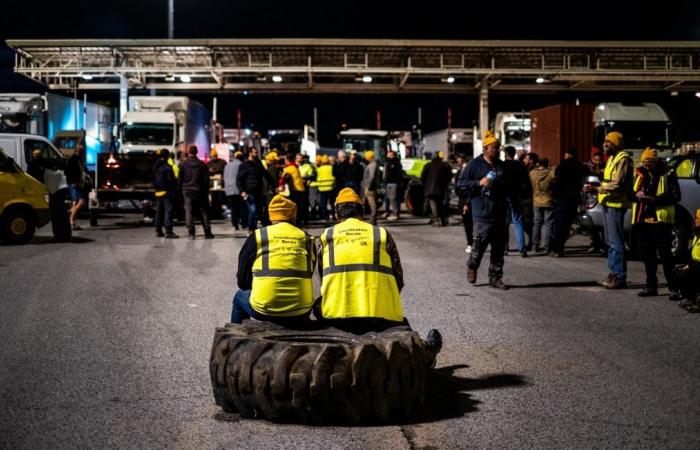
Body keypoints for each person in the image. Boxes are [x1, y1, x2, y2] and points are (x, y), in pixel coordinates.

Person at [316, 188, 442, 359]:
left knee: (318, 304)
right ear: (361, 212)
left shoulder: (326, 236)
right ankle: (427, 352)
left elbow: (323, 277)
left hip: (337, 316)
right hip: (380, 315)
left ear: (337, 213)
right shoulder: (380, 234)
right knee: (403, 333)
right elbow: (399, 277)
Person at [230, 194, 314, 324]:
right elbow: (310, 271)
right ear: (293, 215)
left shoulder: (258, 236)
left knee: (239, 297)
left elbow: (242, 279)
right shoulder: (307, 238)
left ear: (271, 216)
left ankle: (235, 340)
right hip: (301, 310)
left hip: (264, 309)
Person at [457, 131, 511, 290]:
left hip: (500, 213)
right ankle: (472, 267)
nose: (497, 150)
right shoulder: (474, 164)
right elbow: (461, 184)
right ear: (486, 148)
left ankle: (495, 277)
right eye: (494, 147)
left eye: (498, 148)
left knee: (499, 249)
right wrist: (478, 183)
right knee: (479, 246)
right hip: (482, 213)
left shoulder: (501, 165)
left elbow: (507, 186)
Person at [586, 133, 634, 288]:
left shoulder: (623, 159)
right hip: (608, 203)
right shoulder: (613, 158)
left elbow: (618, 183)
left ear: (616, 143)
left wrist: (597, 188)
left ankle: (619, 276)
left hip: (616, 205)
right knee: (609, 241)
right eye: (604, 142)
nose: (604, 145)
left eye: (608, 142)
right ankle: (613, 274)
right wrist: (598, 171)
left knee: (615, 242)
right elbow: (609, 178)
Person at [631, 148, 681, 297]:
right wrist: (636, 194)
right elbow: (630, 192)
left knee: (666, 255)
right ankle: (651, 286)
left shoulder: (668, 172)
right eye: (644, 163)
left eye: (649, 163)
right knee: (648, 256)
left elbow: (676, 196)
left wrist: (655, 200)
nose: (646, 166)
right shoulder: (639, 172)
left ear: (655, 161)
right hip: (642, 219)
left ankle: (674, 288)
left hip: (661, 220)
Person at [549, 147, 587, 257]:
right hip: (574, 199)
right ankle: (560, 248)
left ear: (567, 154)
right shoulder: (580, 166)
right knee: (566, 225)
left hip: (562, 198)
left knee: (558, 224)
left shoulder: (563, 165)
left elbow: (558, 181)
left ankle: (555, 248)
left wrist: (554, 193)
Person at [179, 145, 213, 239]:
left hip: (187, 190)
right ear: (197, 152)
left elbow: (180, 179)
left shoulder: (183, 164)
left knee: (189, 211)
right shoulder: (202, 164)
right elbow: (206, 180)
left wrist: (180, 190)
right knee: (203, 211)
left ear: (188, 152)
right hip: (200, 191)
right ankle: (207, 232)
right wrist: (206, 191)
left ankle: (191, 232)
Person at [237, 148, 274, 234]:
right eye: (255, 152)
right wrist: (242, 190)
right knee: (252, 209)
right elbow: (239, 179)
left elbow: (266, 174)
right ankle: (251, 229)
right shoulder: (244, 165)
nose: (257, 154)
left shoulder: (258, 164)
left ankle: (253, 227)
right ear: (250, 153)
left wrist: (273, 184)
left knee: (257, 210)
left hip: (258, 191)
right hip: (249, 191)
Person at [503, 146, 531, 257]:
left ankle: (504, 248)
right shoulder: (520, 166)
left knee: (504, 224)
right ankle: (522, 249)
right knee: (518, 222)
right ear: (514, 154)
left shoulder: (502, 165)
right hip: (517, 197)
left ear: (506, 154)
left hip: (504, 197)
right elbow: (527, 182)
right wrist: (524, 195)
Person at [676, 209, 700, 312]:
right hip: (696, 263)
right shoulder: (697, 234)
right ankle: (691, 298)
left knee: (694, 272)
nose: (695, 220)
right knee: (681, 271)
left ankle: (698, 302)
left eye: (697, 218)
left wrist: (692, 266)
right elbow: (693, 254)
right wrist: (688, 265)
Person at [421, 151, 453, 226]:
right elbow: (449, 176)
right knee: (441, 204)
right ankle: (442, 220)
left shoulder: (428, 165)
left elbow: (423, 177)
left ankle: (436, 220)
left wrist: (425, 186)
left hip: (430, 189)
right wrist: (445, 184)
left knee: (433, 204)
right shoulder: (445, 165)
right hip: (441, 189)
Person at [152, 149, 179, 239]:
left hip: (157, 191)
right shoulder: (167, 167)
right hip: (167, 192)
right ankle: (168, 231)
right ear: (167, 156)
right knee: (168, 211)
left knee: (159, 211)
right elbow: (171, 181)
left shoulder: (155, 166)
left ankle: (158, 230)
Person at [530, 156, 554, 253]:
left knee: (537, 224)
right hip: (548, 200)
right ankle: (547, 246)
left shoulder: (532, 173)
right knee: (548, 224)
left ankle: (535, 245)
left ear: (538, 164)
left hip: (536, 200)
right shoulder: (551, 173)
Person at [280, 153, 308, 226]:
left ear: (287, 160)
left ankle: (296, 223)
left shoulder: (289, 168)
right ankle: (299, 222)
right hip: (301, 189)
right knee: (299, 207)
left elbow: (282, 179)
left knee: (295, 207)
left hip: (296, 190)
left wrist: (280, 186)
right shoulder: (295, 167)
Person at [65, 142, 88, 231]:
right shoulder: (73, 159)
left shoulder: (78, 159)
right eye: (82, 150)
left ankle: (73, 224)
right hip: (75, 184)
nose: (83, 152)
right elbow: (68, 171)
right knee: (81, 202)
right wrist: (73, 181)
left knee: (75, 203)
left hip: (75, 183)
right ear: (79, 150)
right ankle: (70, 218)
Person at [223, 151, 247, 230]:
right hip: (238, 189)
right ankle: (243, 223)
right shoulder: (241, 165)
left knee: (233, 207)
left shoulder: (227, 165)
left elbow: (224, 177)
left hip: (229, 189)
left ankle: (235, 224)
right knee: (242, 206)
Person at [455, 154, 473, 253]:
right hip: (463, 200)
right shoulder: (459, 172)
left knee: (472, 224)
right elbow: (457, 187)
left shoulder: (469, 173)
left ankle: (471, 243)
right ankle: (470, 242)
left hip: (470, 201)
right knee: (467, 224)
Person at [207, 149, 227, 219]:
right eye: (212, 156)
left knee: (220, 199)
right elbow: (206, 173)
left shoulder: (222, 162)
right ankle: (214, 214)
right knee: (213, 200)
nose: (214, 158)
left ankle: (219, 213)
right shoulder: (209, 164)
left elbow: (225, 171)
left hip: (220, 184)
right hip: (212, 185)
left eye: (215, 156)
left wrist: (217, 171)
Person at [383, 150, 403, 221]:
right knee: (388, 198)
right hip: (388, 183)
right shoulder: (387, 163)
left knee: (393, 199)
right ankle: (389, 212)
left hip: (393, 183)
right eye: (388, 154)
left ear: (394, 155)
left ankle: (395, 214)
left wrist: (397, 183)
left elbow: (399, 174)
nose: (389, 156)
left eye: (391, 155)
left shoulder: (396, 163)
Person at [362, 150, 380, 225]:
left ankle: (373, 220)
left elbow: (371, 176)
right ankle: (372, 219)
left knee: (372, 204)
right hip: (370, 187)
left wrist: (368, 186)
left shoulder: (372, 165)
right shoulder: (373, 164)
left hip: (370, 188)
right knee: (370, 203)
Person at [316, 155, 336, 221]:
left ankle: (325, 217)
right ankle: (333, 215)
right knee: (332, 203)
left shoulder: (318, 169)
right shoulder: (331, 168)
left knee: (323, 203)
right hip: (331, 188)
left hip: (322, 189)